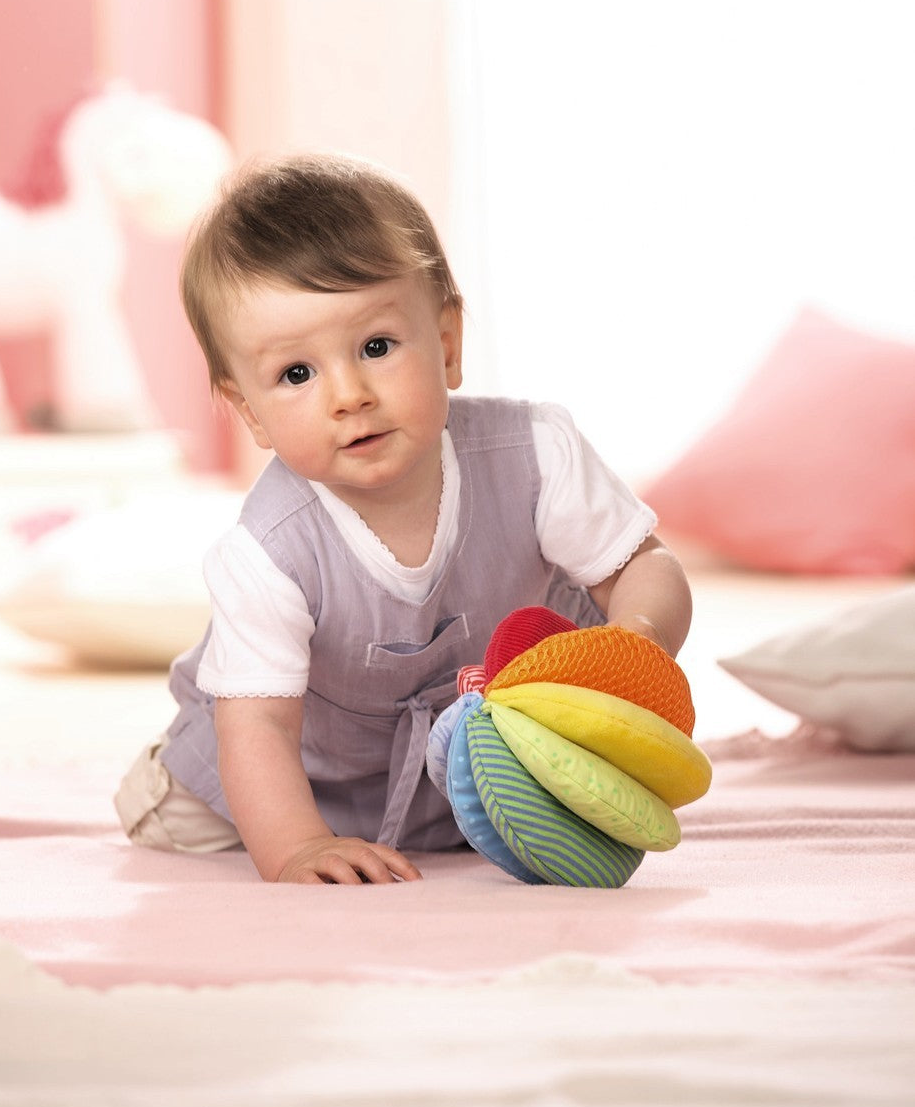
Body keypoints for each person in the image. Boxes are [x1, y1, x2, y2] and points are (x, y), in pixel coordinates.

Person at [114, 154, 692, 886]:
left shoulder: (537, 457)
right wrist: (297, 848)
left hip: (470, 760)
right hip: (301, 771)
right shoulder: (268, 552)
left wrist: (635, 644)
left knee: (542, 809)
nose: (349, 394)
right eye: (297, 374)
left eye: (377, 347)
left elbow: (644, 565)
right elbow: (256, 727)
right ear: (248, 412)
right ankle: (175, 784)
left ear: (447, 344)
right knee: (177, 823)